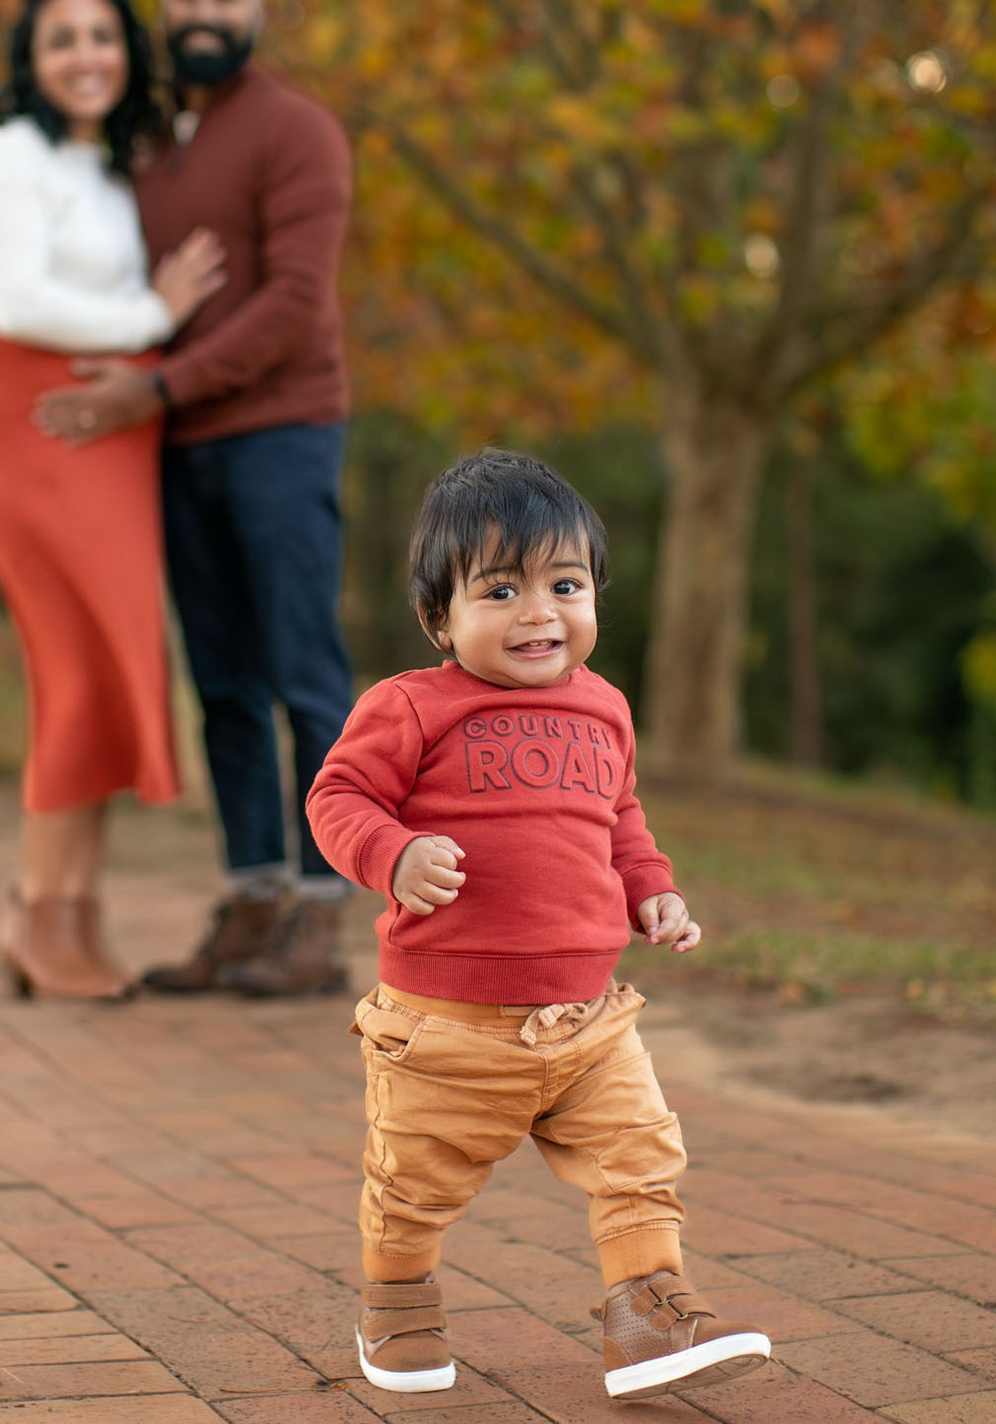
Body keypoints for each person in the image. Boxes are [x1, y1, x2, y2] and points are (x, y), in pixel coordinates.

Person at [306, 451, 774, 1401]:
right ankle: (398, 1305)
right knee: (414, 1184)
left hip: (589, 1020)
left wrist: (653, 890)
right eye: (500, 590)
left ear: (597, 595)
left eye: (565, 585)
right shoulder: (409, 707)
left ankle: (647, 1311)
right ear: (440, 617)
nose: (538, 614)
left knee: (640, 1155)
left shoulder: (605, 709)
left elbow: (621, 816)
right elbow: (337, 796)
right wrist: (391, 854)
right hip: (445, 1028)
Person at [34, 0, 359, 999]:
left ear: (260, 8)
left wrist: (159, 385)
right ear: (161, 7)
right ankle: (253, 895)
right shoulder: (145, 149)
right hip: (174, 448)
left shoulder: (297, 131)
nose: (206, 14)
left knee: (304, 677)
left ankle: (322, 912)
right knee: (221, 682)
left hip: (280, 436)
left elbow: (295, 307)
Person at [0, 0, 228, 1001]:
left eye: (103, 36)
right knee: (69, 664)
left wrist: (142, 353)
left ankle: (73, 910)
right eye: (61, 38)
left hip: (108, 433)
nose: (85, 56)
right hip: (27, 420)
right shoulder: (4, 155)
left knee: (112, 663)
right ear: (30, 56)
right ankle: (38, 908)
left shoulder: (107, 169)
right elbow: (17, 301)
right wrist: (153, 318)